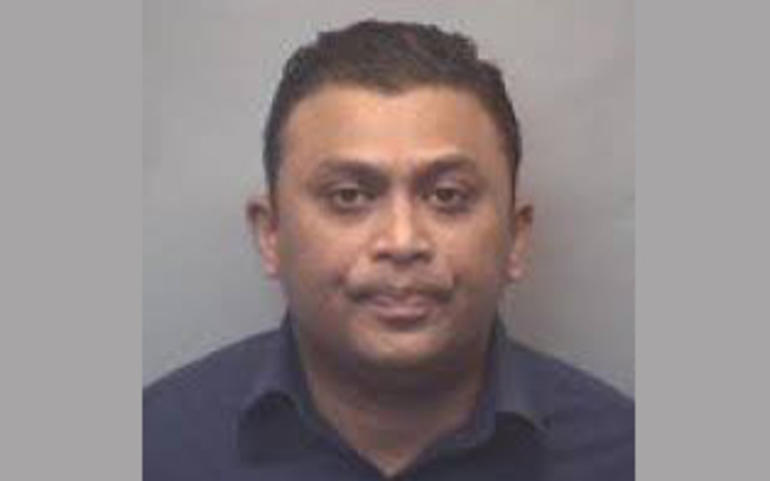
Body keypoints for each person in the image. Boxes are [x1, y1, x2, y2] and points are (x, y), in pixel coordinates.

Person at [143, 19, 634, 480]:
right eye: (349, 196)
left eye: (448, 196)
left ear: (515, 236)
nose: (402, 242)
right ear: (271, 234)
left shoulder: (626, 455)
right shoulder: (154, 446)